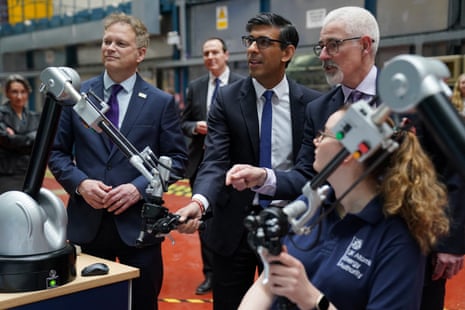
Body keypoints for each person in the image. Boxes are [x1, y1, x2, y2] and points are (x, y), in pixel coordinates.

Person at [224, 6, 465, 310]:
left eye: (333, 45)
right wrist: (266, 178)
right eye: (321, 46)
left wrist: (452, 244)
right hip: (339, 242)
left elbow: (455, 171)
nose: (323, 55)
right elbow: (308, 174)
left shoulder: (412, 99)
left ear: (365, 45)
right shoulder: (318, 108)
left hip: (410, 245)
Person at [175, 12, 321, 310]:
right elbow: (215, 162)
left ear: (287, 53)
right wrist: (199, 202)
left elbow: (308, 173)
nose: (252, 49)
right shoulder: (227, 99)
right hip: (233, 230)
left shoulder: (312, 105)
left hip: (290, 228)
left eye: (264, 42)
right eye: (250, 41)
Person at [238, 107, 450, 309]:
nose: (316, 140)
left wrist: (313, 300)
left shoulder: (398, 239)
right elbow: (267, 282)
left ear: (349, 153)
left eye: (324, 134)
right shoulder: (312, 203)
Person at [48, 13, 188, 310]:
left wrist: (138, 188)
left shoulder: (160, 102)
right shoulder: (76, 97)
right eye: (106, 41)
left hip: (138, 228)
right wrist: (81, 184)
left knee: (141, 303)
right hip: (87, 224)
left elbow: (176, 160)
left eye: (120, 43)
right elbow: (56, 152)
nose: (110, 47)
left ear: (140, 53)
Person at [181, 36, 244, 295]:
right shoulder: (195, 87)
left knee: (233, 220)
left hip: (234, 167)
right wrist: (195, 127)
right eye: (206, 53)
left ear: (226, 55)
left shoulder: (243, 84)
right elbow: (182, 122)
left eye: (215, 52)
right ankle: (210, 274)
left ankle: (241, 270)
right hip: (201, 165)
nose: (210, 57)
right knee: (203, 222)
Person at [0, 74, 40, 193]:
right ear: (7, 93)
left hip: (30, 174)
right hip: (6, 174)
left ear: (28, 93)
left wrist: (15, 138)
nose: (19, 96)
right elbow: (5, 140)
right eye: (14, 92)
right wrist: (30, 137)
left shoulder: (35, 117)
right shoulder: (1, 114)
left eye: (23, 92)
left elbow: (40, 142)